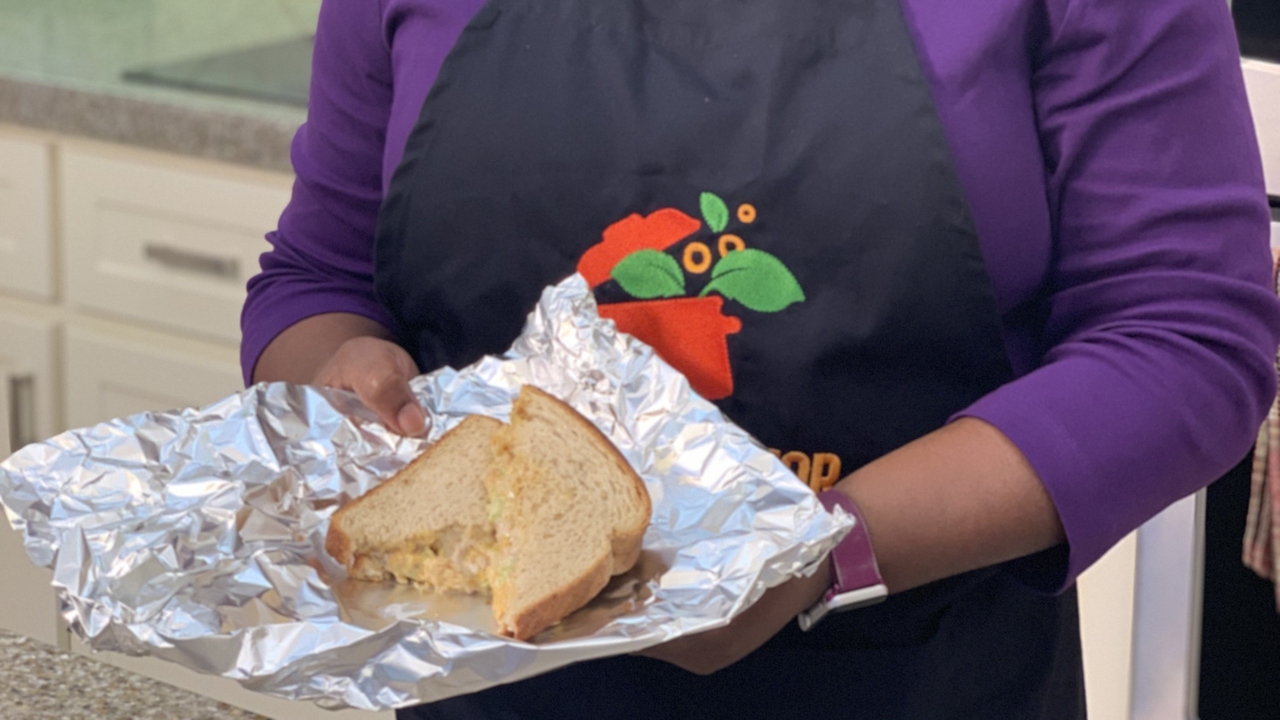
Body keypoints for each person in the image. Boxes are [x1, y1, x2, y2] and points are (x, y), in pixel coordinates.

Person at [242, 0, 1280, 717]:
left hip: (911, 681)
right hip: (489, 689)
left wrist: (824, 553)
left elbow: (1184, 334)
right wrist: (345, 371)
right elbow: (317, 272)